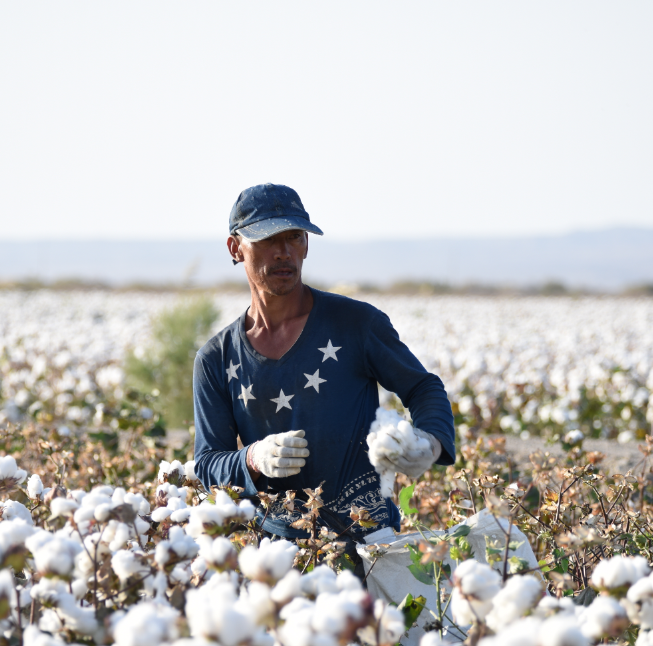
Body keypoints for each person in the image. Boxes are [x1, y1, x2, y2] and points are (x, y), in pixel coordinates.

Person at [192, 183, 456, 559]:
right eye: (267, 239)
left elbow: (424, 388)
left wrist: (430, 442)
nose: (284, 252)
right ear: (236, 249)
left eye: (295, 237)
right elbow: (208, 463)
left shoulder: (356, 324)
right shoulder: (216, 358)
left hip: (372, 541)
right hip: (281, 556)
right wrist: (252, 459)